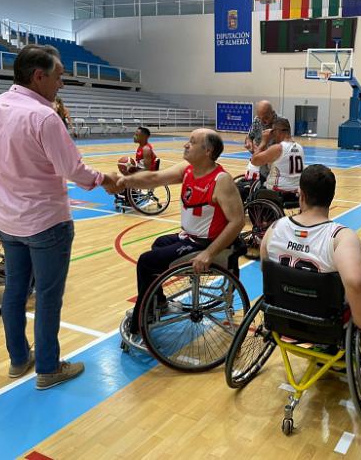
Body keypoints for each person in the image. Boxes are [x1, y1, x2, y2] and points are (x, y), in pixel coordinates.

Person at [0, 44, 119, 389]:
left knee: (14, 292)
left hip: (8, 220)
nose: (62, 85)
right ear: (39, 76)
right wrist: (105, 181)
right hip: (46, 222)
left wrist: (6, 192)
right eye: (59, 76)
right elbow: (73, 169)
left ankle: (19, 359)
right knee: (49, 297)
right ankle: (49, 368)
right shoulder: (44, 116)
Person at [117, 128, 245, 334]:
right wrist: (127, 181)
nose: (186, 145)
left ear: (208, 151)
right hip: (189, 237)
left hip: (205, 244)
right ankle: (157, 302)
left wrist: (209, 253)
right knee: (158, 244)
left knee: (146, 261)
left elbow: (237, 222)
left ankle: (143, 318)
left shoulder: (221, 180)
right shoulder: (188, 168)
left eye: (192, 142)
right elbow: (155, 178)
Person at [260, 164, 361, 334]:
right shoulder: (341, 237)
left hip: (281, 319)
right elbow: (356, 284)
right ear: (331, 197)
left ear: (301, 195)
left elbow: (265, 269)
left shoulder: (275, 228)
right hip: (325, 328)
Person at [250, 117, 304, 206]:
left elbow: (254, 161)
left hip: (279, 190)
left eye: (273, 131)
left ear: (278, 131)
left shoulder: (278, 148)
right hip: (296, 190)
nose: (273, 135)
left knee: (255, 193)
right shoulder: (299, 147)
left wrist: (263, 142)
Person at [244, 99, 278, 182]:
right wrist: (249, 144)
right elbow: (249, 137)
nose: (262, 121)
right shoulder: (257, 120)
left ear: (273, 113)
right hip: (261, 163)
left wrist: (263, 147)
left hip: (275, 166)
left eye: (266, 118)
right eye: (260, 118)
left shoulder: (281, 124)